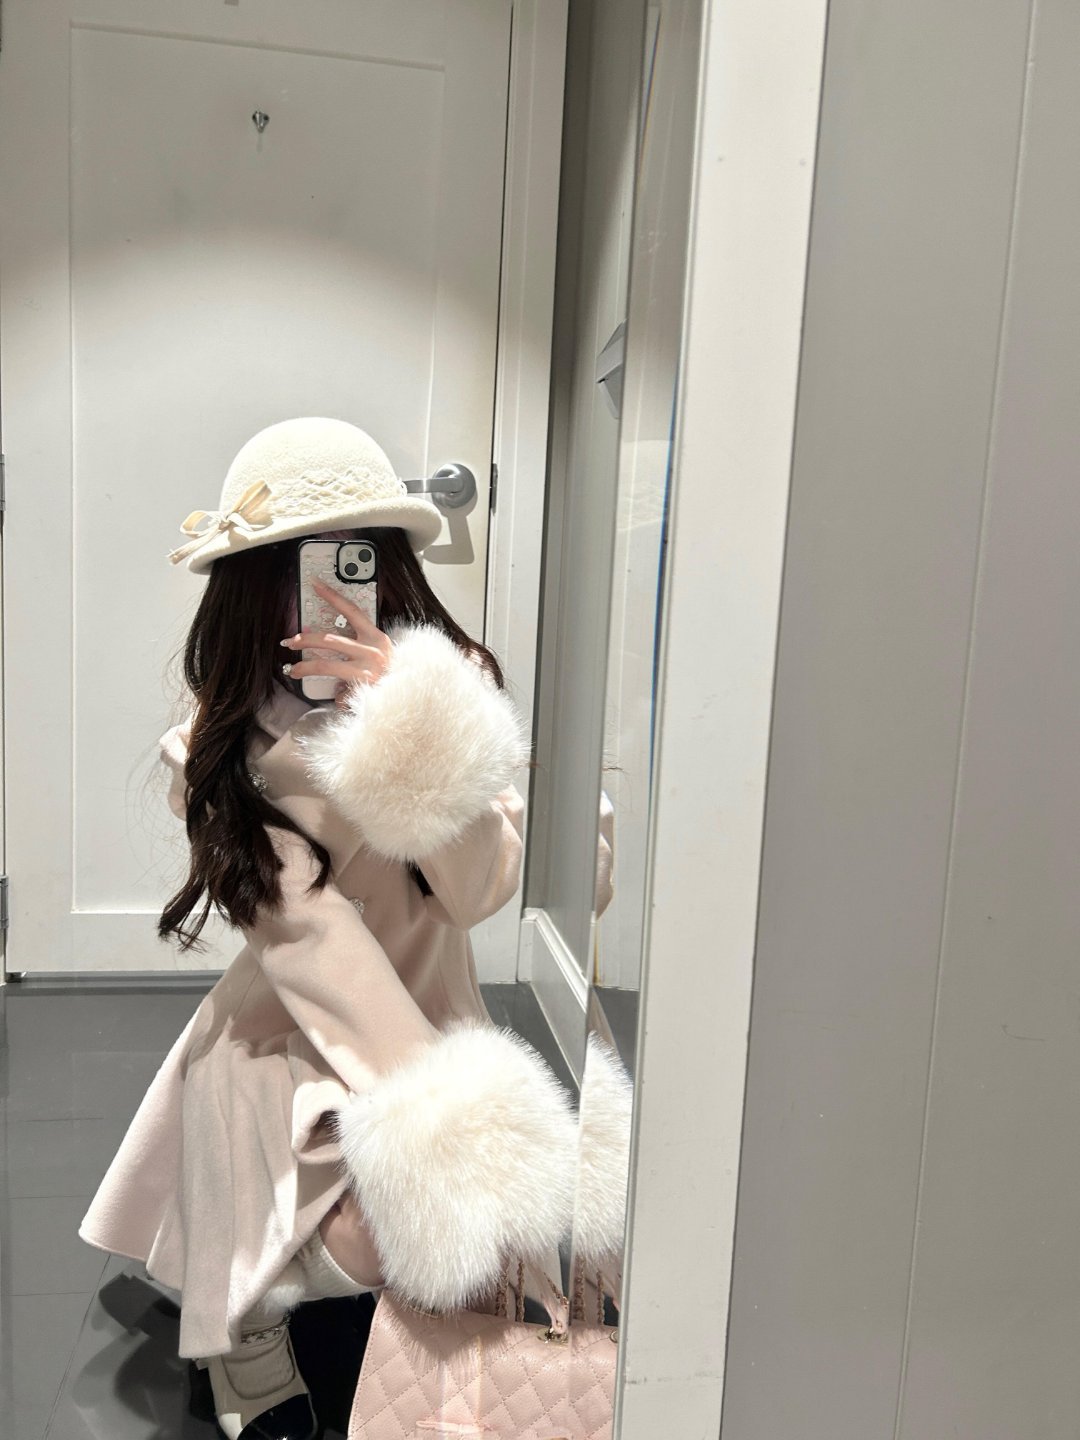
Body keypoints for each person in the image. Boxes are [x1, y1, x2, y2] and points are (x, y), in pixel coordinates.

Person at [79, 418, 579, 1440]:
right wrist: (434, 1108)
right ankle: (249, 1318)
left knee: (451, 1227)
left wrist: (408, 721)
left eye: (355, 557)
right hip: (289, 1032)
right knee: (390, 1217)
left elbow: (476, 892)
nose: (330, 589)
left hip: (431, 1008)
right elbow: (310, 943)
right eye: (295, 565)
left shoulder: (447, 687)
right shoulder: (223, 741)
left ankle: (272, 1262)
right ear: (251, 583)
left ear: (388, 561)